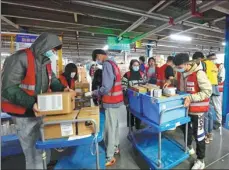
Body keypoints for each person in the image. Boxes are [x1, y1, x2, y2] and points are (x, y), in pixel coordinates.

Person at [1, 33, 75, 169]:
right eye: (52, 50)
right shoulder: (19, 58)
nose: (53, 53)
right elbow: (8, 88)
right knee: (32, 153)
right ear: (44, 46)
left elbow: (52, 80)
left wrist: (64, 89)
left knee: (43, 149)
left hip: (39, 111)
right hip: (24, 113)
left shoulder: (45, 62)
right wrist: (31, 103)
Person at [172, 53, 212, 169]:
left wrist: (191, 97)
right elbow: (180, 86)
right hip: (185, 110)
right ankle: (189, 147)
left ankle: (200, 160)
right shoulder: (181, 74)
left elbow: (207, 92)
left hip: (197, 111)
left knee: (199, 135)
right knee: (186, 130)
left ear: (186, 64)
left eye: (179, 66)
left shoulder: (199, 74)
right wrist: (171, 82)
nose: (178, 69)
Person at [91, 49, 124, 166]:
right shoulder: (113, 64)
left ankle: (109, 156)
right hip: (117, 101)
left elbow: (106, 87)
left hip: (110, 101)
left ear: (99, 55)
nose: (97, 61)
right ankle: (115, 147)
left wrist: (95, 92)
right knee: (114, 125)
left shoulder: (106, 65)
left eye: (96, 58)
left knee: (109, 128)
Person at [122, 59, 145, 130]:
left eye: (137, 65)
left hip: (139, 97)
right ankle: (131, 126)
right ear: (131, 66)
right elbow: (123, 86)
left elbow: (145, 84)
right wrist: (126, 95)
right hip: (130, 97)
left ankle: (138, 125)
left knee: (139, 111)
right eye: (134, 65)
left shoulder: (142, 74)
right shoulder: (127, 74)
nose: (136, 66)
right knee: (130, 112)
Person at [205, 54, 222, 130]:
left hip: (208, 86)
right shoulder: (215, 66)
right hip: (215, 86)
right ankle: (218, 122)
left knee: (206, 105)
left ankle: (209, 122)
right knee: (217, 105)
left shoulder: (205, 63)